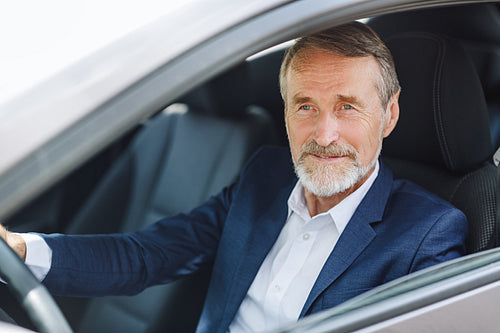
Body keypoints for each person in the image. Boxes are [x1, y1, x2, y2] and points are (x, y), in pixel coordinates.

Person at [0, 22, 467, 333]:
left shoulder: (427, 234)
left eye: (347, 107)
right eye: (305, 106)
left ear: (389, 115)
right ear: (283, 112)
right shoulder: (265, 176)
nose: (324, 135)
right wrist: (21, 252)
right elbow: (149, 256)